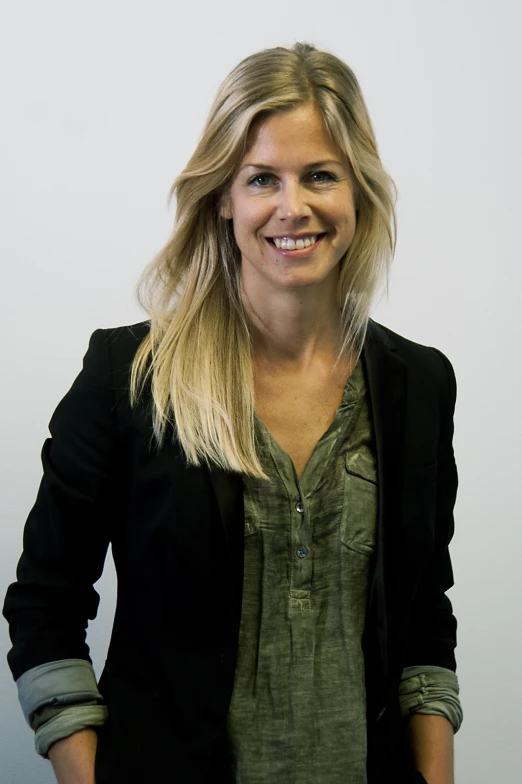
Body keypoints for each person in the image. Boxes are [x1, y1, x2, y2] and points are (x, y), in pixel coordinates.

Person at [3, 41, 462, 784]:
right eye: (261, 179)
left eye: (320, 175)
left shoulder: (421, 384)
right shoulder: (131, 377)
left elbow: (425, 621)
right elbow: (44, 608)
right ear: (223, 197)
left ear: (359, 194)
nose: (294, 206)